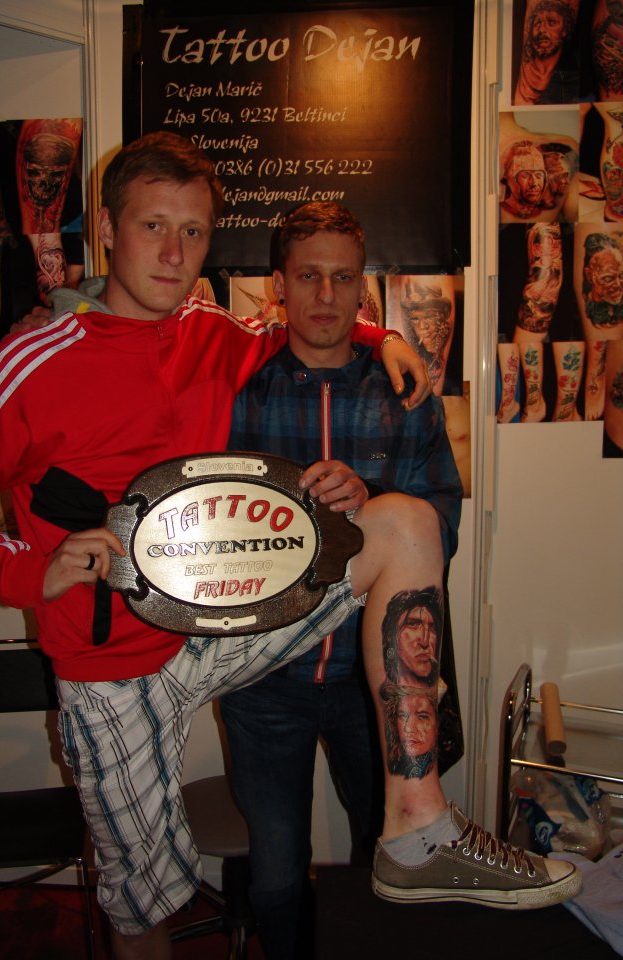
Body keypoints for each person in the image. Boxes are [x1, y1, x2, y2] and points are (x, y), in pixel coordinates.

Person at [0, 131, 435, 960]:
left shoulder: (210, 332)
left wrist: (380, 337)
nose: (175, 253)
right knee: (142, 902)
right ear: (106, 230)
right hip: (109, 671)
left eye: (193, 232)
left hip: (216, 630)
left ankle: (416, 816)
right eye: (153, 226)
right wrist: (29, 571)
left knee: (404, 523)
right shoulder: (30, 362)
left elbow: (293, 327)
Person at [219, 202, 463, 960]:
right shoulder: (239, 388)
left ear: (365, 287)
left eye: (344, 278)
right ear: (278, 285)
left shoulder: (405, 389)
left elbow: (442, 524)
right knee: (275, 874)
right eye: (308, 277)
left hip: (371, 683)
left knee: (387, 857)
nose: (326, 296)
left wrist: (373, 508)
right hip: (264, 681)